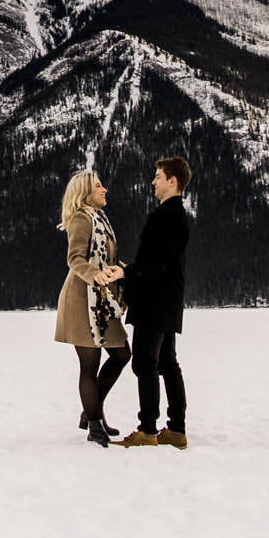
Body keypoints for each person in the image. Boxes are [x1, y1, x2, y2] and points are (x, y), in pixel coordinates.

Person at [103, 156, 191, 449]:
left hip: (154, 301)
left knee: (145, 362)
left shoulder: (167, 217)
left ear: (172, 181)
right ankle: (176, 429)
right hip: (169, 299)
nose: (153, 181)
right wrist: (130, 271)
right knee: (167, 362)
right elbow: (160, 263)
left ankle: (148, 430)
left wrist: (126, 272)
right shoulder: (177, 216)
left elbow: (157, 265)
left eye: (158, 176)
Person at [53, 168, 129, 447]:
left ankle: (91, 410)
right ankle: (95, 423)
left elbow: (110, 258)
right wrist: (95, 274)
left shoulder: (101, 219)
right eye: (99, 186)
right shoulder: (81, 219)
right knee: (89, 364)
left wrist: (125, 271)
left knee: (122, 354)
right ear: (86, 192)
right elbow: (74, 259)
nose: (104, 189)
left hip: (102, 302)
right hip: (81, 300)